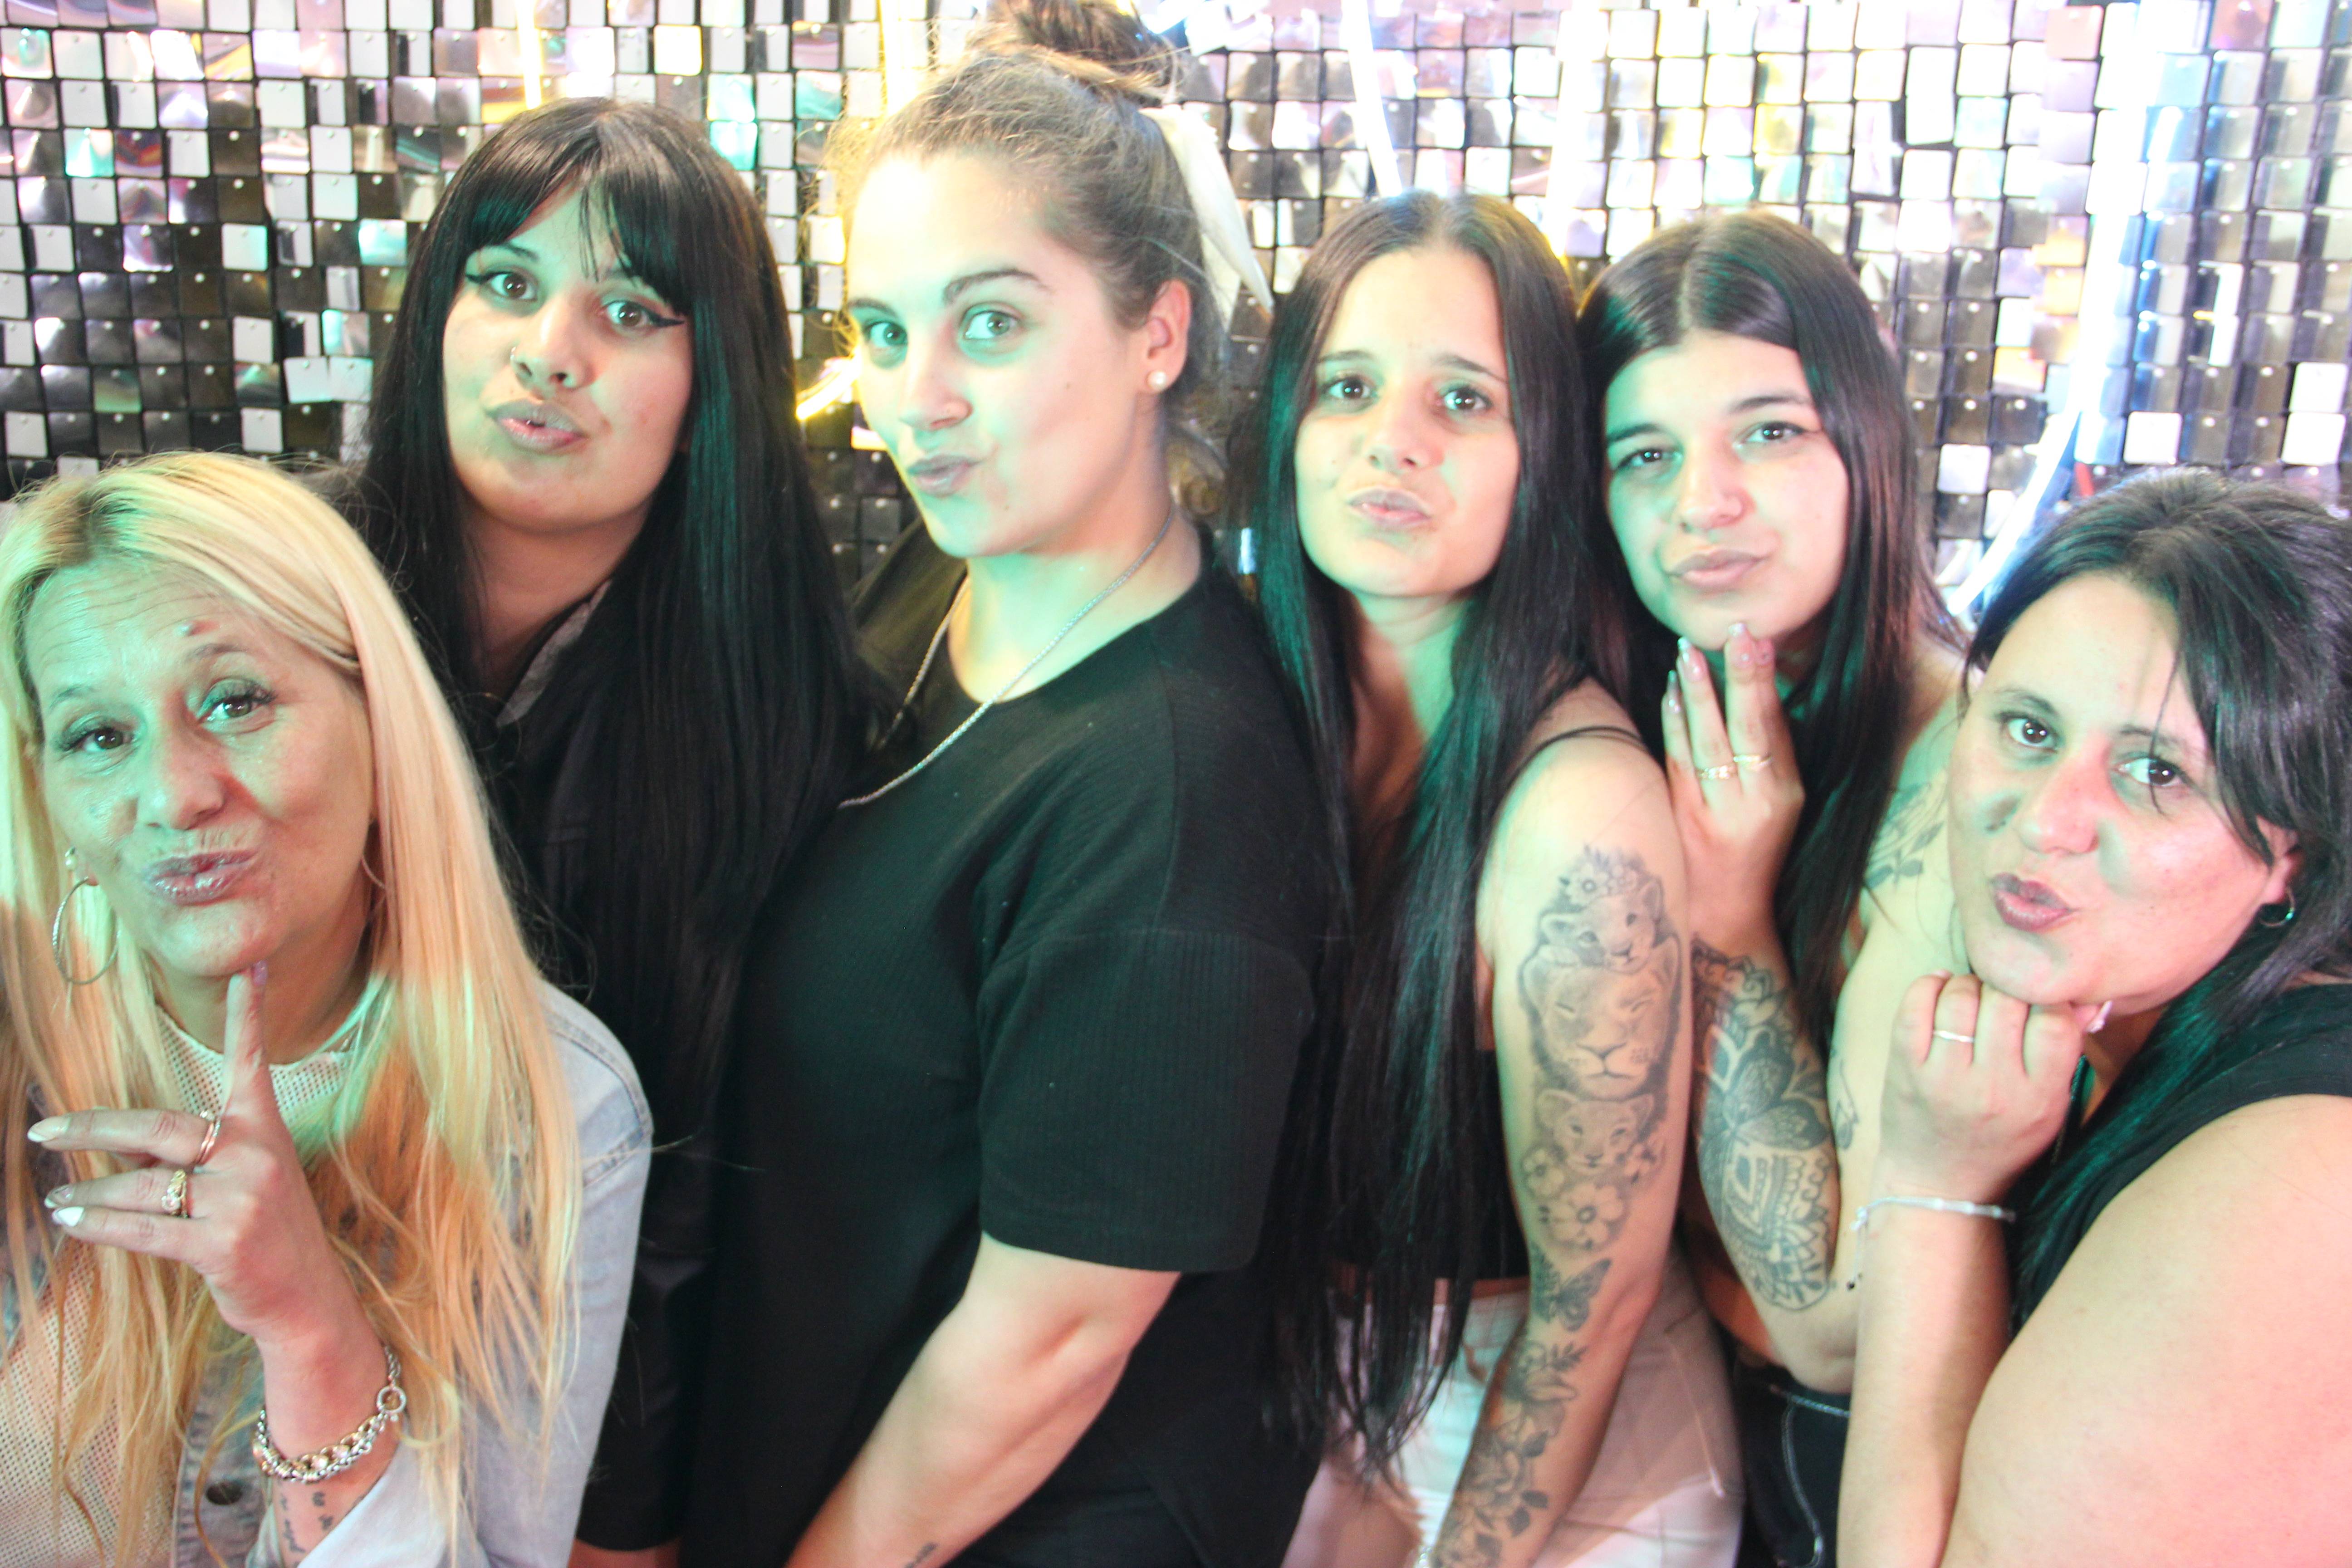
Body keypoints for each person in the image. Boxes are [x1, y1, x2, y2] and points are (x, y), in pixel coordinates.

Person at [666, 3, 1327, 1565]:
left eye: (993, 324)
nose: (918, 397)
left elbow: (1048, 1343)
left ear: (1158, 333)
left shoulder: (1174, 796)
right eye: (884, 330)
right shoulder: (951, 569)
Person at [333, 98, 867, 1551]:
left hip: (553, 1421)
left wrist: (619, 1524)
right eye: (506, 283)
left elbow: (692, 1179)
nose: (550, 351)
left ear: (715, 381)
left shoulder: (779, 714)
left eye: (629, 312)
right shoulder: (282, 607)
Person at [0, 452, 648, 1565]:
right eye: (100, 736)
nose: (175, 795)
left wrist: (310, 1331)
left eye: (235, 700)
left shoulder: (553, 1105)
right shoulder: (21, 1042)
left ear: (377, 719)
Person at [1257, 192, 1740, 1568]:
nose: (1393, 441)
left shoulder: (1580, 812)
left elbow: (1595, 1306)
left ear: (1547, 458)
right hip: (1324, 1403)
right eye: (1347, 388)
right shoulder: (1255, 715)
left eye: (1463, 400)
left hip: (1562, 1448)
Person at [1838, 470, 2352, 1565]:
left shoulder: (2291, 1189)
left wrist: (1935, 1186)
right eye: (2027, 728)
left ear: (2296, 852)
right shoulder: (2117, 1015)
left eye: (2156, 771)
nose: (2046, 819)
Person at [1578, 210, 1965, 1563]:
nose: (1705, 503)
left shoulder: (1967, 772)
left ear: (1869, 444)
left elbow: (1833, 1325)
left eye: (1771, 433)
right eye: (1646, 455)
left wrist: (1728, 915)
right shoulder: (1619, 724)